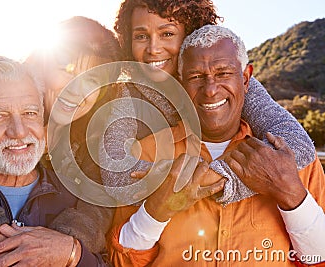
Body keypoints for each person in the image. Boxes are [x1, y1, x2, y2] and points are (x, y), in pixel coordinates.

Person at [107, 25, 325, 266]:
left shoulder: (290, 158)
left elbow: (318, 259)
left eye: (223, 73)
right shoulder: (145, 154)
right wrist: (156, 212)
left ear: (245, 78)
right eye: (196, 77)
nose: (210, 89)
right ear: (180, 84)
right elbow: (123, 261)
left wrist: (290, 193)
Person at [0, 17, 120, 265]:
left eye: (91, 81)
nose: (76, 90)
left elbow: (99, 201)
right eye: (66, 69)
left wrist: (56, 245)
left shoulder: (100, 128)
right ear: (42, 64)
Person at [100, 0, 316, 205]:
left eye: (167, 34)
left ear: (190, 34)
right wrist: (182, 181)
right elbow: (114, 172)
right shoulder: (127, 95)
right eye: (141, 36)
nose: (153, 48)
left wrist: (213, 177)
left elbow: (296, 144)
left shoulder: (227, 82)